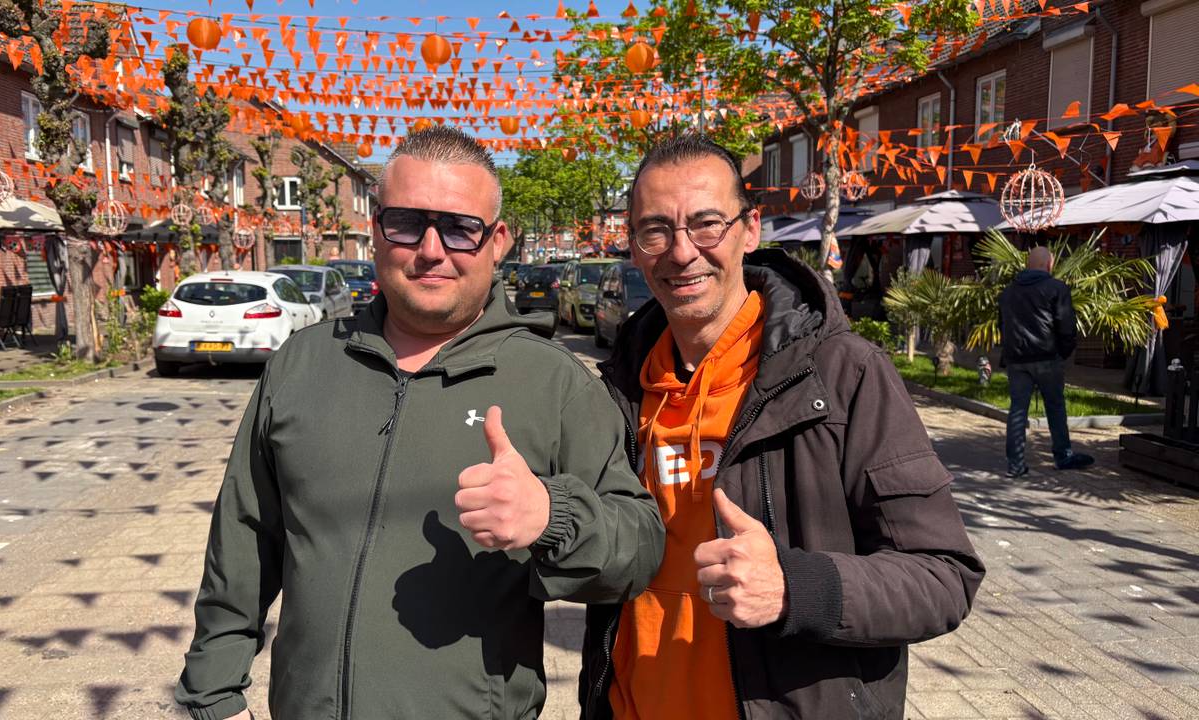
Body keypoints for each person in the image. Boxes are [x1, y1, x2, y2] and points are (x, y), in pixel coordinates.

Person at [176, 126, 665, 720]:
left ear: (498, 241)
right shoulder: (301, 365)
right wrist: (213, 693)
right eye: (408, 222)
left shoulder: (554, 383)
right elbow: (245, 538)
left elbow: (640, 549)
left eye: (460, 228)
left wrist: (551, 517)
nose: (432, 250)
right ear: (377, 227)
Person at [581, 134, 985, 720]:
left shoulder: (844, 374)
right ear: (634, 245)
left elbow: (944, 576)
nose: (682, 252)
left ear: (750, 230)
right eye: (656, 230)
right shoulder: (619, 387)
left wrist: (797, 588)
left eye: (707, 224)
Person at [999, 246, 1095, 477]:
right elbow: (1066, 325)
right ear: (1050, 265)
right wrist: (1063, 352)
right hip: (1046, 357)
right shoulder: (1056, 288)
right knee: (1055, 407)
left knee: (1017, 410)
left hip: (1017, 359)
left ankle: (1015, 465)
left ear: (1027, 265)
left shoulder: (1007, 292)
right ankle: (1062, 456)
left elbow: (1002, 325)